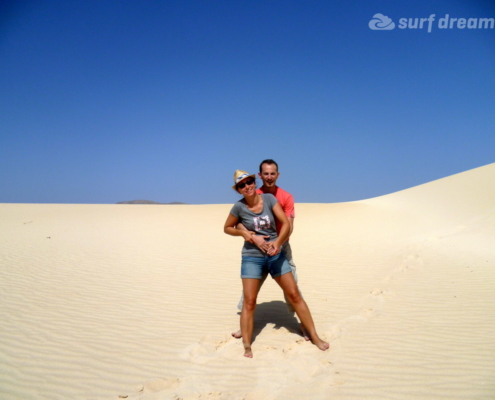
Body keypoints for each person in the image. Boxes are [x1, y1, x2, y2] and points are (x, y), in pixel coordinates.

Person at [224, 169, 329, 358]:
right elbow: (227, 228)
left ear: (254, 182)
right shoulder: (238, 207)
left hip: (275, 254)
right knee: (249, 302)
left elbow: (286, 224)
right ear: (238, 190)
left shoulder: (270, 200)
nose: (246, 186)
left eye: (249, 182)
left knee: (294, 294)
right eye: (242, 185)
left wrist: (277, 244)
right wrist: (248, 235)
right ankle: (247, 346)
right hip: (252, 257)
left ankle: (314, 336)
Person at [232, 159, 309, 340]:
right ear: (259, 176)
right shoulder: (251, 192)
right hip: (256, 250)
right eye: (265, 174)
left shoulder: (286, 197)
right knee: (250, 289)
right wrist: (252, 237)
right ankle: (244, 327)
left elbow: (289, 225)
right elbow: (239, 223)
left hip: (281, 248)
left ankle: (304, 325)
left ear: (277, 175)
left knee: (292, 288)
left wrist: (277, 245)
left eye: (272, 173)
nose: (269, 177)